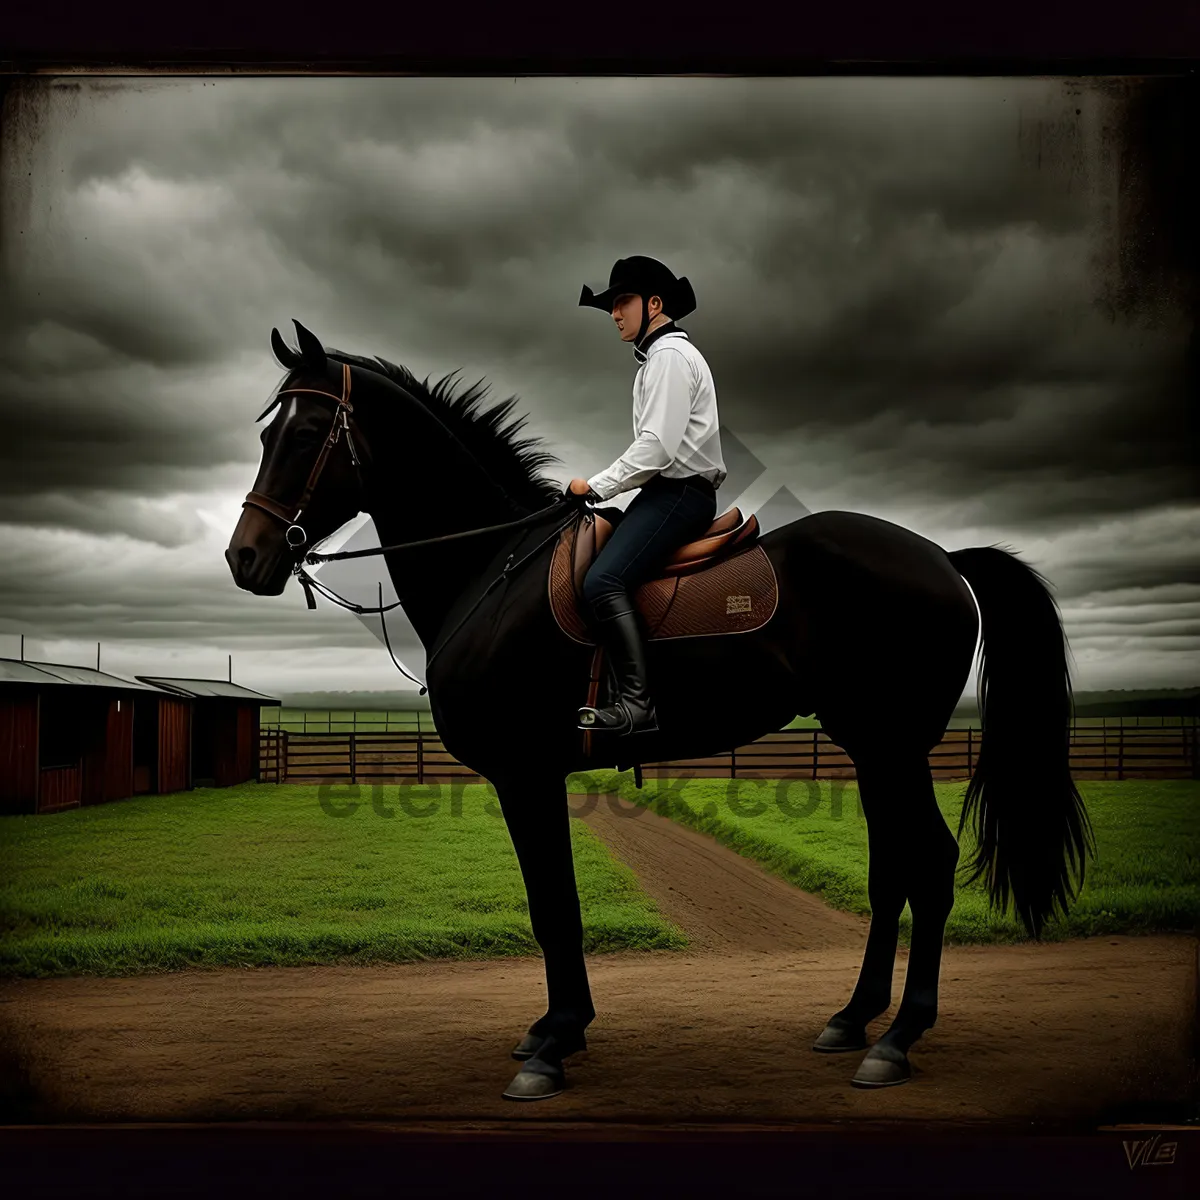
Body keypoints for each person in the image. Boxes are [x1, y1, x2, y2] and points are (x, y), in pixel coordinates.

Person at [567, 256, 727, 737]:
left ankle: (638, 705)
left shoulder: (669, 359)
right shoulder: (658, 360)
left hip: (679, 493)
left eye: (623, 302)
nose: (614, 314)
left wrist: (594, 485)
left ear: (654, 305)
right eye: (612, 305)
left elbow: (656, 448)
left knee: (602, 581)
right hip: (666, 492)